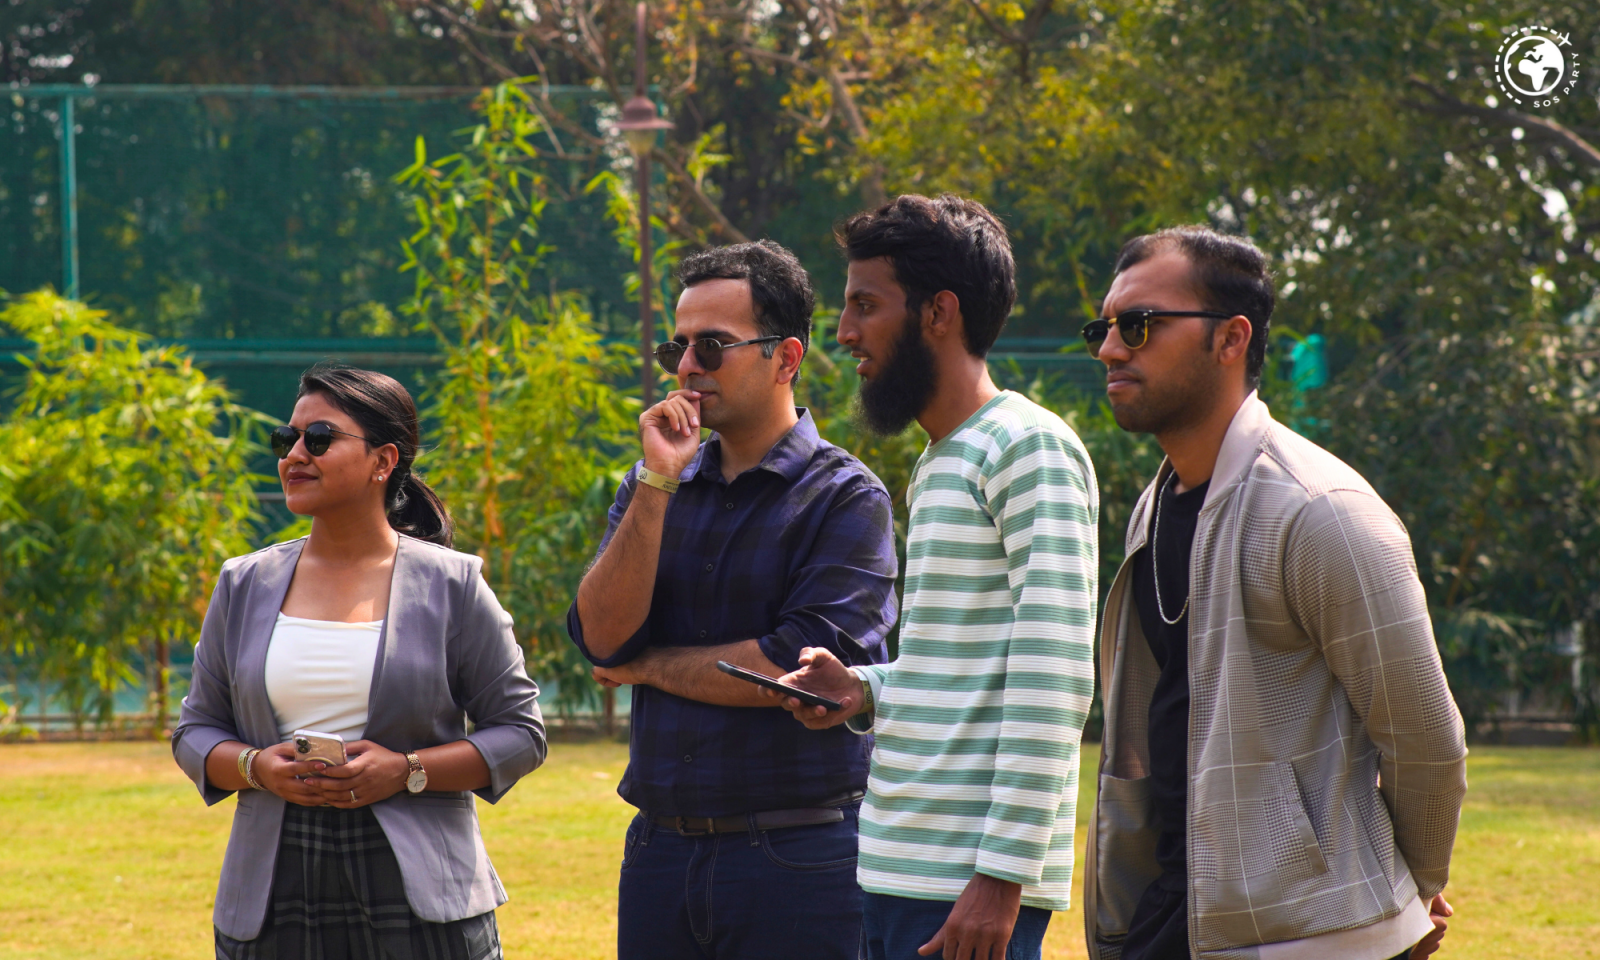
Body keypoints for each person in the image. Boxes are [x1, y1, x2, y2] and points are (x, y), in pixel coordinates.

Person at [1078, 226, 1467, 960]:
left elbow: (1425, 738)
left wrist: (1407, 893)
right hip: (1172, 912)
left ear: (1231, 339)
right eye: (1104, 328)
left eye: (1138, 326)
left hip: (1305, 934)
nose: (1109, 349)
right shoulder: (1153, 507)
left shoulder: (1321, 511)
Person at [768, 194, 1100, 960]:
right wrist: (865, 688)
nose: (844, 332)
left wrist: (1001, 876)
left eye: (864, 305)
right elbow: (963, 663)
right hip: (896, 865)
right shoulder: (942, 457)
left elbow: (1054, 675)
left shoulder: (1027, 447)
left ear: (938, 313)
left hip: (966, 888)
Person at [566, 240, 900, 960]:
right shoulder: (652, 483)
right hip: (657, 851)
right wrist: (657, 483)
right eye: (676, 348)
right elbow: (601, 640)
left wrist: (648, 668)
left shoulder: (846, 497)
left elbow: (797, 668)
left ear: (785, 358)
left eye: (711, 347)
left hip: (800, 857)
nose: (687, 368)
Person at [172, 364, 546, 960]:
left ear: (383, 460)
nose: (294, 454)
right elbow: (194, 731)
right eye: (286, 439)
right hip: (273, 886)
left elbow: (521, 734)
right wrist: (254, 767)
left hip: (422, 890)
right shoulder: (243, 583)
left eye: (318, 439)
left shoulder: (453, 584)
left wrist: (407, 769)